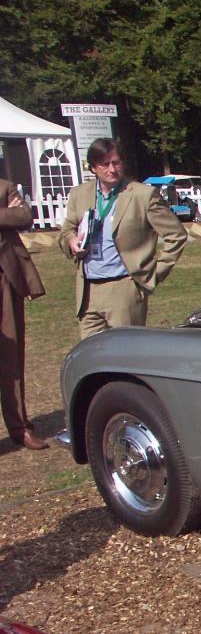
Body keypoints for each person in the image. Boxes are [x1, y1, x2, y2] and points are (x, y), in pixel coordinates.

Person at [58, 138, 187, 340]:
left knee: (127, 354)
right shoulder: (79, 194)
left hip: (124, 288)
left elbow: (176, 235)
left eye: (116, 162)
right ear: (93, 168)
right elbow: (67, 230)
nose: (112, 169)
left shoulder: (142, 195)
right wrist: (71, 241)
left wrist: (154, 274)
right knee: (92, 358)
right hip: (88, 290)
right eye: (105, 164)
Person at [0, 178, 48, 450]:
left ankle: (20, 427)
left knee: (11, 358)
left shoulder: (5, 186)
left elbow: (24, 216)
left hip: (5, 280)